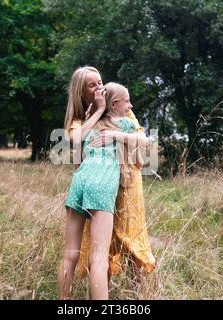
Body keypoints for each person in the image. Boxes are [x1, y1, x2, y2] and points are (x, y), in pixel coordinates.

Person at [58, 66, 155, 300]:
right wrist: (101, 109)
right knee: (99, 255)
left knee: (71, 252)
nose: (99, 87)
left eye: (99, 82)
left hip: (82, 180)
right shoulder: (110, 116)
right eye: (92, 85)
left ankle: (65, 302)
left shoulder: (95, 122)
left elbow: (77, 150)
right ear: (81, 92)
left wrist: (113, 136)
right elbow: (143, 147)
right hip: (104, 185)